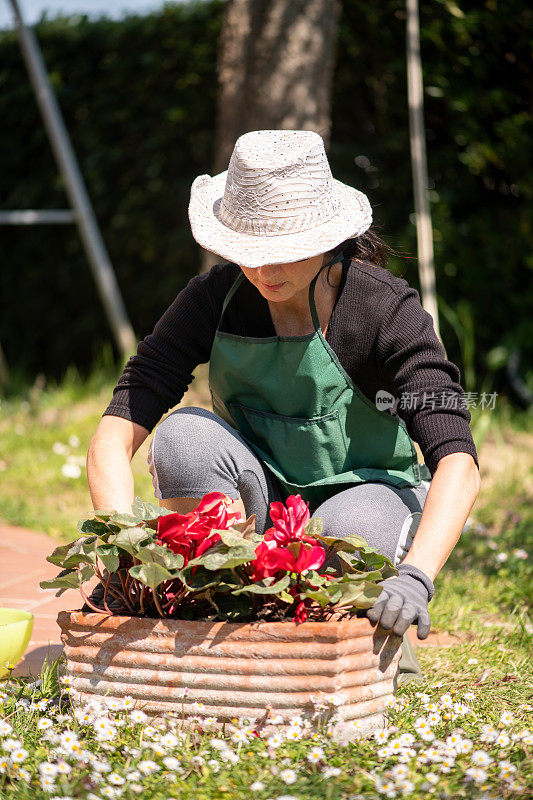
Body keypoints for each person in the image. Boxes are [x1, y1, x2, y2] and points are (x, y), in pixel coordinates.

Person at [87, 130, 481, 673]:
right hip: (260, 501)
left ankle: (367, 628)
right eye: (250, 252)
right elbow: (116, 430)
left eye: (285, 251)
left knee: (348, 531)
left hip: (370, 493)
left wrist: (417, 576)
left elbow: (458, 462)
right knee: (182, 438)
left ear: (327, 237)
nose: (266, 272)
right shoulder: (211, 300)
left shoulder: (386, 312)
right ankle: (218, 607)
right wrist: (120, 546)